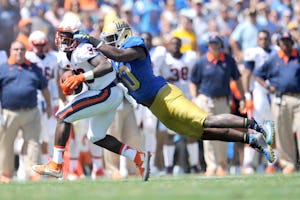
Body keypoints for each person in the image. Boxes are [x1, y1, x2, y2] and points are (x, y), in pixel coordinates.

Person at [73, 18, 275, 167]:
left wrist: (92, 40)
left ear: (123, 34)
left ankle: (258, 126)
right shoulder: (114, 59)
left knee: (206, 120)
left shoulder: (135, 44)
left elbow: (120, 54)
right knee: (201, 133)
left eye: (110, 39)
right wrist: (81, 78)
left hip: (166, 95)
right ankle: (250, 139)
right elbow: (106, 72)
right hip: (155, 107)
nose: (107, 43)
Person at [31, 19, 151, 181]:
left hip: (106, 91)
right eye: (60, 35)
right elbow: (76, 80)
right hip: (103, 92)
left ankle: (56, 165)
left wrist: (81, 77)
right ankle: (138, 157)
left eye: (66, 35)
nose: (61, 39)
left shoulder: (83, 49)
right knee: (97, 136)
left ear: (77, 36)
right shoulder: (63, 56)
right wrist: (73, 84)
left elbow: (106, 66)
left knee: (62, 116)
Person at [189, 34, 243, 176]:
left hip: (223, 100)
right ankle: (212, 165)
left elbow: (237, 79)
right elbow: (193, 81)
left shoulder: (229, 60)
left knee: (224, 132)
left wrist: (242, 97)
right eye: (212, 43)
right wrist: (195, 98)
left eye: (217, 43)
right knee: (210, 133)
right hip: (206, 100)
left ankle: (222, 164)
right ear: (208, 45)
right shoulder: (201, 61)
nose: (214, 46)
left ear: (221, 45)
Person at [0, 41, 51, 183]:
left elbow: (44, 88)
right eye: (16, 49)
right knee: (6, 144)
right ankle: (6, 174)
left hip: (31, 111)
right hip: (9, 112)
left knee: (33, 143)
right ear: (10, 51)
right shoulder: (3, 68)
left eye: (22, 49)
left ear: (25, 51)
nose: (19, 52)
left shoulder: (33, 68)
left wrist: (48, 105)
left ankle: (33, 173)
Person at [254, 32, 300, 175]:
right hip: (280, 99)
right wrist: (268, 87)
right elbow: (258, 75)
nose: (285, 44)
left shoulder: (298, 56)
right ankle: (288, 163)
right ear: (279, 43)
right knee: (282, 131)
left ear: (292, 43)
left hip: (298, 98)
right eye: (282, 41)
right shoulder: (274, 59)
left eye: (288, 41)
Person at [241, 29, 277, 174]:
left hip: (274, 93)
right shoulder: (253, 52)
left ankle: (271, 163)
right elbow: (246, 74)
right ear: (257, 40)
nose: (263, 41)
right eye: (261, 39)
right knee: (254, 128)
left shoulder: (276, 50)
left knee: (272, 129)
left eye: (266, 38)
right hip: (258, 92)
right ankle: (248, 163)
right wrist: (247, 95)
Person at [163, 36, 200, 174]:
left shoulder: (189, 57)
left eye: (178, 44)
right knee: (170, 133)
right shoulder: (164, 58)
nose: (175, 46)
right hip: (171, 99)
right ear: (168, 45)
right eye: (173, 43)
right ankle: (169, 166)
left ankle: (195, 165)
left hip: (187, 98)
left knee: (191, 132)